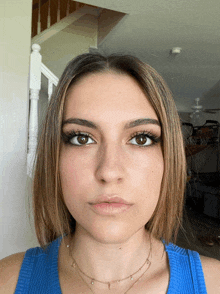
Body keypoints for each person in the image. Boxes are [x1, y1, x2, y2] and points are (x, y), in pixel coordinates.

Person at [0, 53, 220, 294]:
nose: (109, 171)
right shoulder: (7, 281)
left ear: (168, 160)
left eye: (141, 138)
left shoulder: (214, 283)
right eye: (81, 138)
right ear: (54, 158)